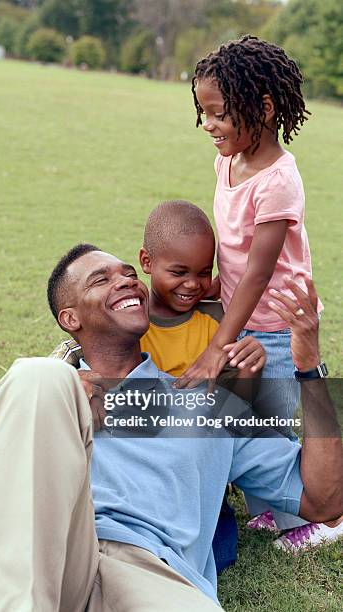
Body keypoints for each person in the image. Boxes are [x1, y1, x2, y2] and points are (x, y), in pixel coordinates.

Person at [0, 245, 343, 611]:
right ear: (70, 318)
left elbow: (324, 500)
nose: (126, 281)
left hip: (156, 577)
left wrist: (308, 367)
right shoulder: (48, 401)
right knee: (36, 375)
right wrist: (59, 416)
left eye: (129, 274)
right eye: (101, 280)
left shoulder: (210, 404)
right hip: (51, 561)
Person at [50, 201, 267, 572]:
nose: (192, 284)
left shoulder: (216, 328)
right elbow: (69, 360)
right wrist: (65, 379)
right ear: (148, 263)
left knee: (213, 550)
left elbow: (234, 414)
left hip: (189, 463)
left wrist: (249, 375)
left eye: (203, 273)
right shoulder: (127, 323)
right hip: (134, 466)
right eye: (179, 271)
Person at [183, 34, 337, 547]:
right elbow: (232, 248)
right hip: (240, 313)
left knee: (270, 423)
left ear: (264, 108)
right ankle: (272, 509)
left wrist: (216, 347)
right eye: (203, 112)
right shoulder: (228, 162)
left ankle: (322, 518)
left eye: (219, 113)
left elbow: (258, 272)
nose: (208, 125)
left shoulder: (278, 182)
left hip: (276, 327)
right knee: (244, 417)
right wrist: (208, 285)